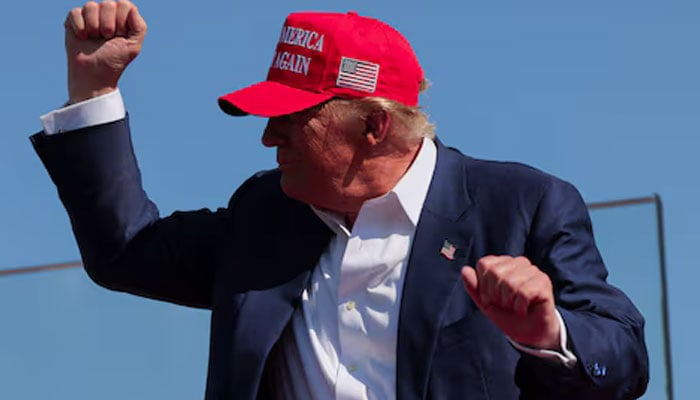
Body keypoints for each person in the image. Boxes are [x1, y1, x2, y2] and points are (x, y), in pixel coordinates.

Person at [31, 1, 649, 399]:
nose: (268, 137)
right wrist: (93, 89)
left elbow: (623, 362)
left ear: (374, 127)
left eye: (290, 119)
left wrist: (548, 333)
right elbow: (126, 254)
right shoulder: (263, 213)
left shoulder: (522, 205)